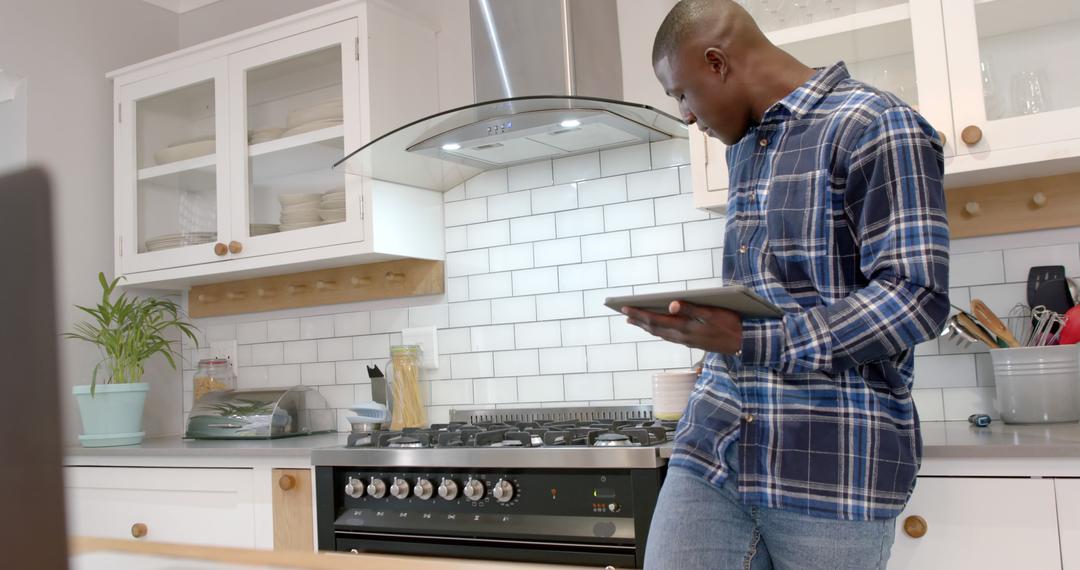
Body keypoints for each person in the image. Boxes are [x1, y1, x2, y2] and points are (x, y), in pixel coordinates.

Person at [623, 1, 950, 568]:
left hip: (829, 467)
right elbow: (772, 293)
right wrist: (712, 341)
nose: (685, 115)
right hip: (714, 451)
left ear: (717, 62)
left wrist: (748, 340)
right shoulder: (745, 149)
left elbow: (915, 297)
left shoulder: (875, 124)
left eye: (680, 93)